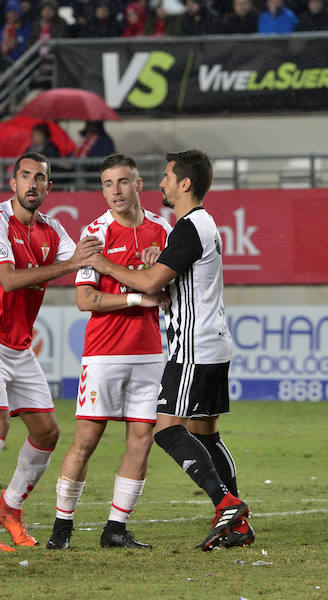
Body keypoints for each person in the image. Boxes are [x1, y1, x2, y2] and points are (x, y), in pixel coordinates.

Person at [79, 149, 253, 551]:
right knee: (206, 435)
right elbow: (168, 278)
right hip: (214, 345)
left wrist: (105, 267)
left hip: (192, 348)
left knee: (167, 430)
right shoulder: (201, 225)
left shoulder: (190, 226)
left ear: (185, 184)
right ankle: (238, 523)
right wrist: (155, 265)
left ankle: (225, 502)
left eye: (168, 177)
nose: (162, 183)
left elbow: (151, 282)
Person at [0, 153, 102, 552]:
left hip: (17, 345)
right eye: (25, 176)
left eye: (40, 178)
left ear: (49, 188)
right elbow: (8, 279)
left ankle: (10, 506)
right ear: (13, 183)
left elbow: (88, 259)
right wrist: (70, 265)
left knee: (47, 431)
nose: (32, 183)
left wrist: (130, 264)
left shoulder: (51, 229)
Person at [45, 154, 172, 551]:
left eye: (121, 182)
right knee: (86, 439)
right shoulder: (95, 234)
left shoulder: (162, 230)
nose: (114, 191)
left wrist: (160, 274)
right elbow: (85, 300)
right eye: (106, 184)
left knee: (142, 438)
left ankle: (115, 528)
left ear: (138, 184)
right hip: (104, 353)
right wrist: (138, 295)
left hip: (150, 352)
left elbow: (169, 292)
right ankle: (61, 528)